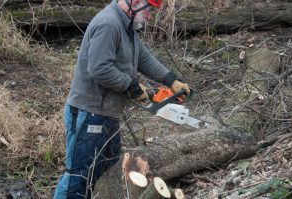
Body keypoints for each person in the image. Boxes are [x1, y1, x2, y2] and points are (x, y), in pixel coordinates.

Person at [53, 0, 190, 198]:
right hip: (88, 113)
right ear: (134, 2)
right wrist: (131, 86)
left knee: (108, 175)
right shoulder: (109, 24)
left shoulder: (127, 26)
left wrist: (171, 79)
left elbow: (142, 57)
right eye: (150, 9)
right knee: (79, 177)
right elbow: (99, 68)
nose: (150, 16)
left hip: (107, 115)